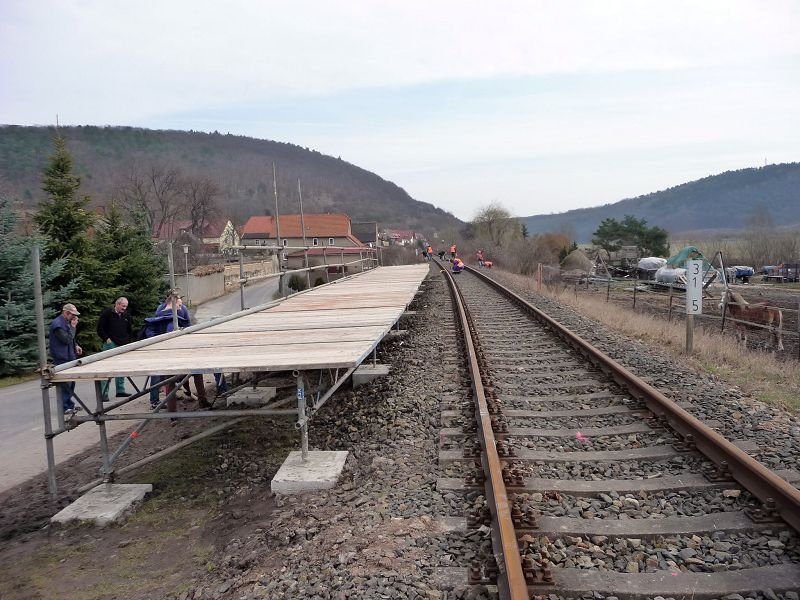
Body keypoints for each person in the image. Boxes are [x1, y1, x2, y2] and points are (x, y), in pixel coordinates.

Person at [145, 291, 209, 414]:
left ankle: (171, 412)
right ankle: (201, 401)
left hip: (162, 356)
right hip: (174, 356)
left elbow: (151, 337)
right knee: (193, 373)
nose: (181, 308)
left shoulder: (156, 318)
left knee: (169, 381)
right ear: (173, 304)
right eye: (179, 305)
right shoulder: (172, 321)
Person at [49, 303, 83, 414]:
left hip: (69, 355)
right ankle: (65, 406)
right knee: (65, 383)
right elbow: (66, 339)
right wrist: (73, 327)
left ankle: (69, 404)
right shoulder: (57, 325)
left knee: (71, 382)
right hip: (61, 357)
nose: (74, 318)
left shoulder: (66, 322)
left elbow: (70, 339)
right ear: (66, 313)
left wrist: (76, 345)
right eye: (73, 315)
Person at [97, 297, 133, 401]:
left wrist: (129, 341)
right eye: (123, 306)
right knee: (107, 368)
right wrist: (106, 339)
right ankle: (104, 393)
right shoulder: (107, 313)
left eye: (126, 306)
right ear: (117, 304)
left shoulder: (126, 315)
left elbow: (130, 329)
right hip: (110, 344)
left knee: (121, 367)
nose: (124, 308)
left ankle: (120, 390)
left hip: (123, 344)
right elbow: (100, 328)